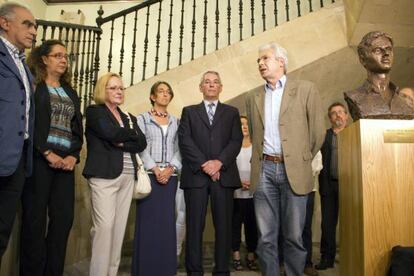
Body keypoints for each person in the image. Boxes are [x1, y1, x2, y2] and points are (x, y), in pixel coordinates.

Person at [245, 42, 325, 276]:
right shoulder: (253, 97)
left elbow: (318, 131)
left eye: (265, 58)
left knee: (293, 236)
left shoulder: (306, 89)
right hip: (264, 171)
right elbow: (254, 131)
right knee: (266, 237)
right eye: (258, 60)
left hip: (295, 171)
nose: (260, 63)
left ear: (281, 61)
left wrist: (300, 158)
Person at [19, 40, 83, 276]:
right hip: (39, 161)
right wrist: (47, 152)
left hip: (65, 165)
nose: (63, 60)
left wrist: (73, 155)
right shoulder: (34, 87)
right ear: (44, 59)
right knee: (34, 223)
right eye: (58, 55)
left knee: (63, 221)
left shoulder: (71, 92)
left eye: (65, 56)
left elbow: (77, 129)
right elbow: (29, 123)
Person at [178, 71, 243, 276]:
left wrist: (219, 163)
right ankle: (194, 271)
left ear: (221, 87)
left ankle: (222, 270)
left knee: (223, 227)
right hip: (196, 176)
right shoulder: (189, 111)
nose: (211, 85)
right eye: (207, 82)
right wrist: (205, 165)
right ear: (201, 87)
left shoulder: (232, 112)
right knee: (194, 226)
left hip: (223, 177)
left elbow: (236, 141)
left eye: (215, 82)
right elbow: (185, 140)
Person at [83, 73, 147, 276]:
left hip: (128, 177)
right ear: (103, 90)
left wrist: (121, 139)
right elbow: (110, 134)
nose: (119, 91)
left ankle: (112, 273)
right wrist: (129, 135)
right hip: (104, 176)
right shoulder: (95, 112)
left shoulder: (128, 117)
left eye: (121, 88)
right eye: (113, 88)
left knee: (119, 231)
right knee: (105, 229)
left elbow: (142, 142)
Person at [132, 81, 181, 276]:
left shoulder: (176, 121)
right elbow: (140, 146)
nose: (165, 95)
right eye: (161, 91)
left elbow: (180, 148)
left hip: (170, 177)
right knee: (148, 224)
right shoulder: (142, 119)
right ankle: (145, 269)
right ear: (152, 96)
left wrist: (171, 168)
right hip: (150, 177)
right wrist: (154, 168)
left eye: (168, 92)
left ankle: (165, 270)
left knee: (167, 224)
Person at [0, 2, 36, 263]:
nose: (34, 31)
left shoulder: (25, 66)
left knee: (2, 232)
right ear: (5, 23)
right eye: (27, 24)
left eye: (35, 26)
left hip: (18, 162)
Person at [344, 31, 414, 120]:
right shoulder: (355, 97)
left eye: (389, 49)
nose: (386, 53)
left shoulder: (406, 101)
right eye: (378, 50)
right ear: (363, 59)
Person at [315, 102, 349, 270]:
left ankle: (352, 256)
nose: (338, 115)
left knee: (351, 223)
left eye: (341, 112)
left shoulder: (354, 133)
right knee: (327, 224)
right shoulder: (324, 136)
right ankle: (327, 258)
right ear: (330, 118)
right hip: (328, 186)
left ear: (347, 116)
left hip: (352, 187)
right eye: (334, 113)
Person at [231, 115, 258, 271]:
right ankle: (235, 256)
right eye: (241, 124)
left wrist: (253, 183)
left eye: (248, 124)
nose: (245, 127)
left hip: (253, 193)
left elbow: (261, 168)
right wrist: (239, 183)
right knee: (234, 225)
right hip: (235, 193)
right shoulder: (232, 146)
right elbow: (227, 168)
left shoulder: (257, 146)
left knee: (251, 226)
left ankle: (251, 255)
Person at [302, 151, 322, 276]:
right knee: (287, 227)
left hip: (308, 189)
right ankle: (286, 262)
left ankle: (307, 263)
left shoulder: (312, 141)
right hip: (288, 187)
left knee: (305, 227)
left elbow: (317, 165)